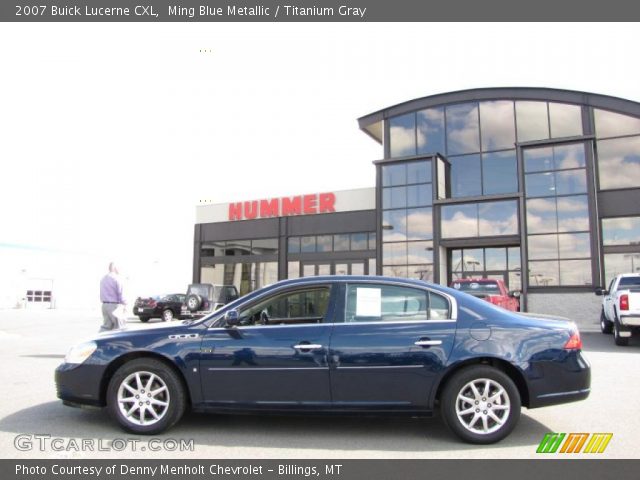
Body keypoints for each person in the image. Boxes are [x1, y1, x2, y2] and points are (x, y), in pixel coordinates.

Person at [99, 262, 127, 331]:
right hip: (114, 306)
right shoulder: (117, 278)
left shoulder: (103, 278)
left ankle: (100, 340)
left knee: (106, 327)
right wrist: (125, 304)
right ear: (115, 268)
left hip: (105, 306)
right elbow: (120, 293)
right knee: (119, 328)